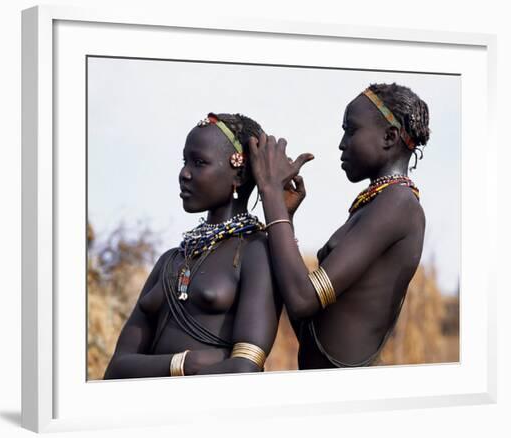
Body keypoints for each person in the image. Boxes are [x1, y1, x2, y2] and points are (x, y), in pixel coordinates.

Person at [249, 83, 430, 369]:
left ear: (389, 136)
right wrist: (285, 217)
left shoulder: (399, 205)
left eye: (351, 129)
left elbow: (301, 299)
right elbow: (309, 325)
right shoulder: (377, 204)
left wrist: (270, 193)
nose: (342, 143)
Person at [104, 113, 281, 379]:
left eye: (199, 163)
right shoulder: (170, 261)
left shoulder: (256, 252)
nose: (184, 174)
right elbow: (117, 368)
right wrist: (187, 363)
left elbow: (246, 367)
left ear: (240, 175)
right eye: (184, 161)